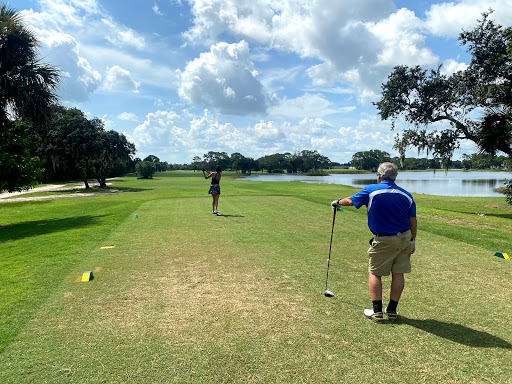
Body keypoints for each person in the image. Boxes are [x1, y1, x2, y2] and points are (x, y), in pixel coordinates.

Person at [331, 162, 417, 321]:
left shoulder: (371, 190)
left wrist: (337, 202)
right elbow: (413, 221)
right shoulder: (407, 195)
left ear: (379, 176)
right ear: (395, 176)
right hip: (405, 238)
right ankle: (391, 311)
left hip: (384, 239)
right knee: (398, 273)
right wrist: (412, 241)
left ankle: (377, 311)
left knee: (375, 273)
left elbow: (350, 201)